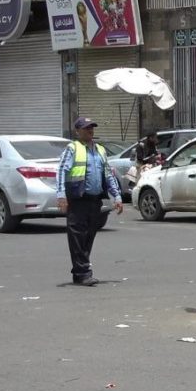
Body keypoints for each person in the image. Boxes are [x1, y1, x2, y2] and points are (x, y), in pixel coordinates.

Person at [57, 117, 124, 287]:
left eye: (92, 128)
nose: (90, 131)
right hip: (78, 200)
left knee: (88, 237)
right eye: (86, 128)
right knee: (77, 238)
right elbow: (61, 171)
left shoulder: (100, 150)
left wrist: (116, 197)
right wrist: (61, 196)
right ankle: (83, 272)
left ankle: (80, 272)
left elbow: (108, 174)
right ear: (77, 131)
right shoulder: (73, 148)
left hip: (94, 201)